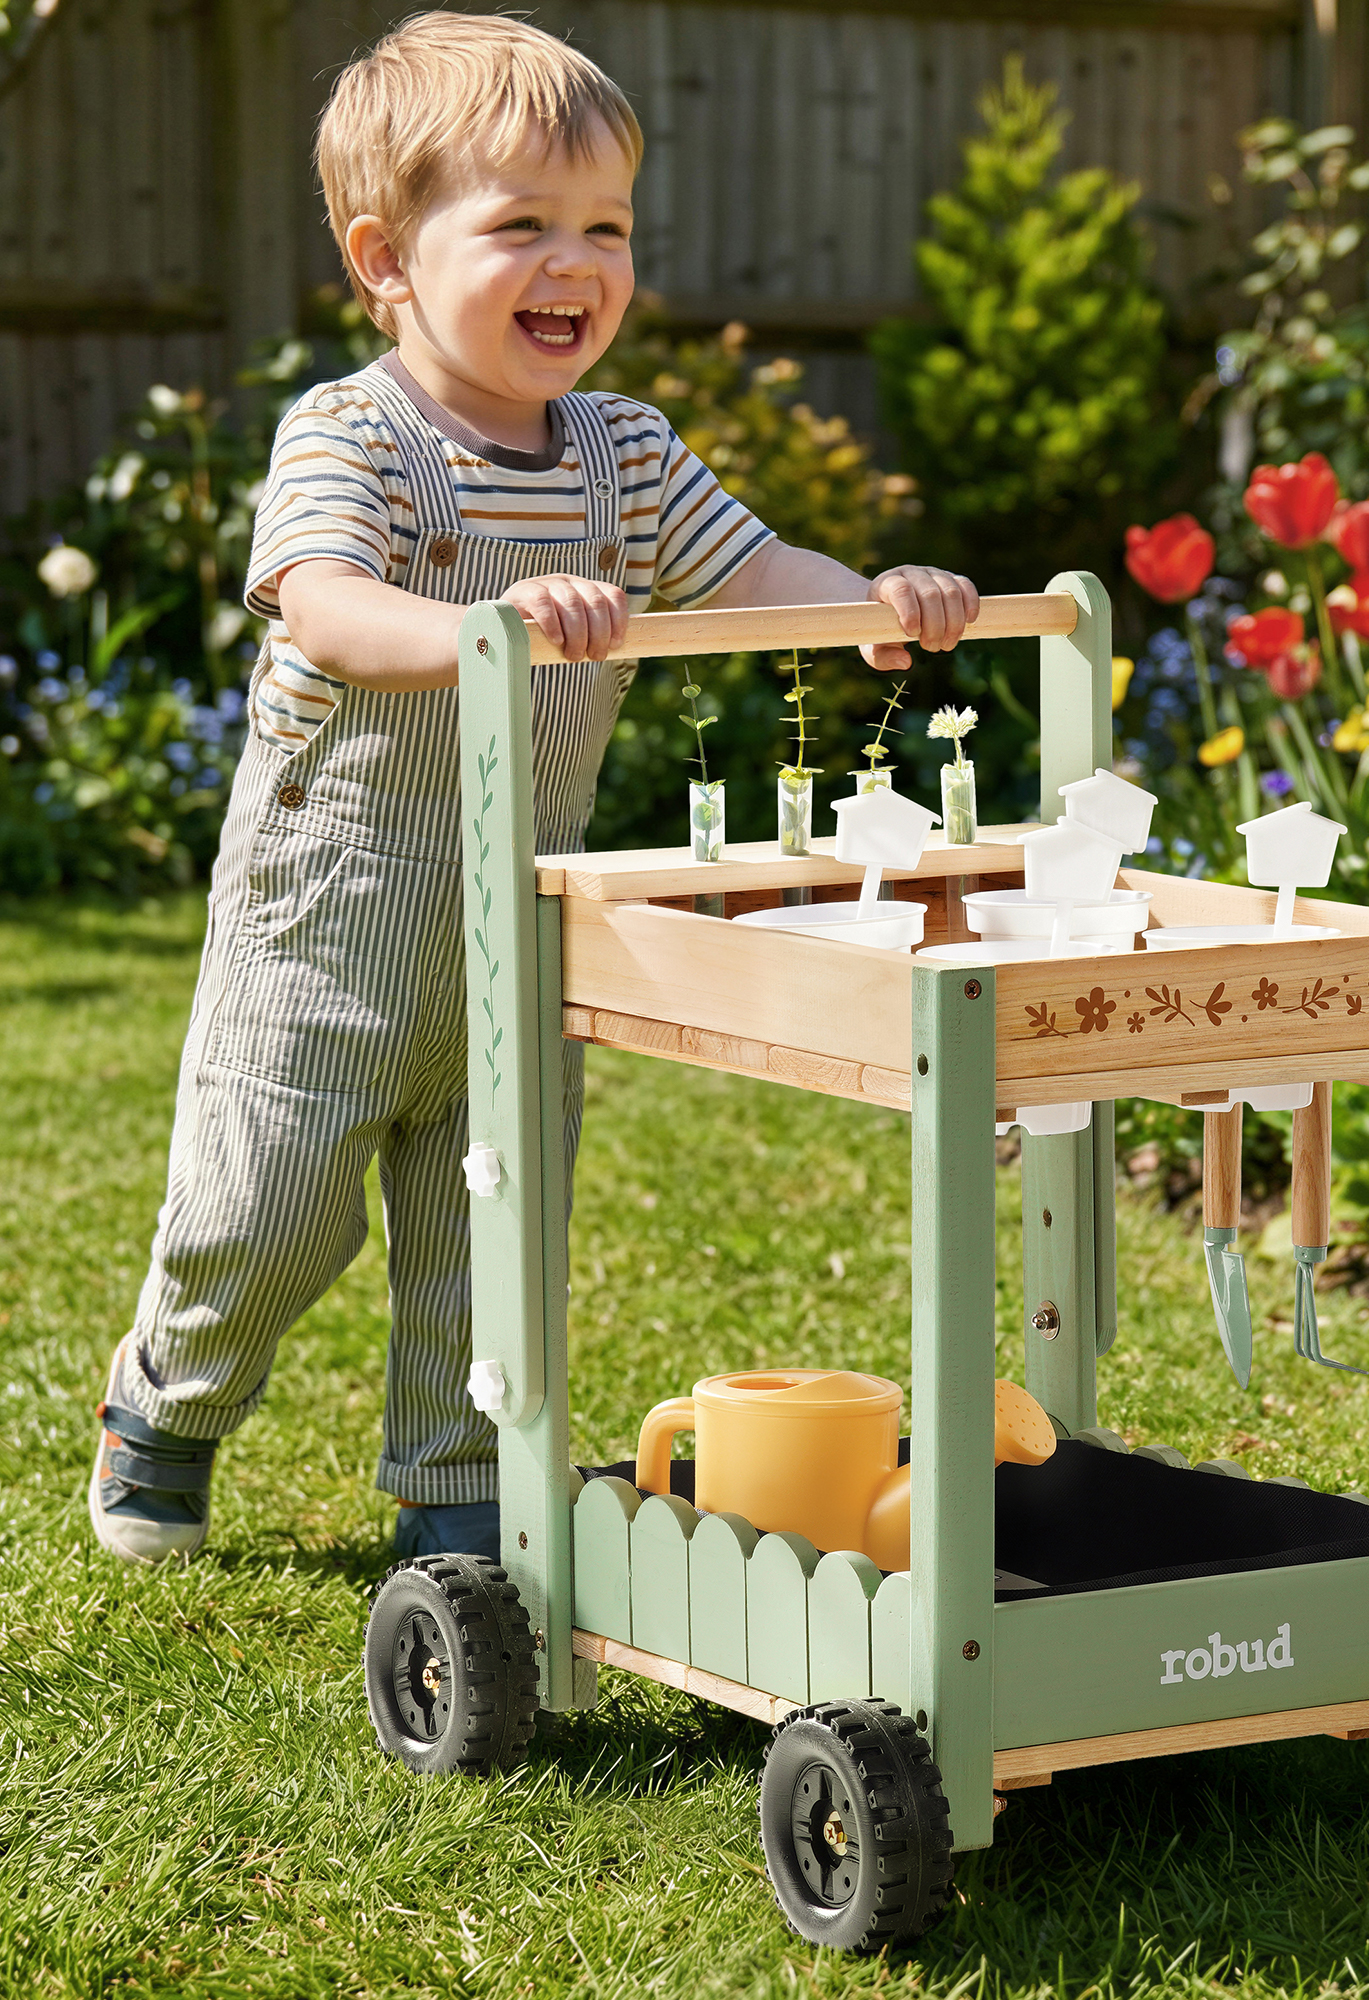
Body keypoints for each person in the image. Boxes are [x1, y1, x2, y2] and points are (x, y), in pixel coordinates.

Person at [89, 11, 975, 1566]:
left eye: (607, 228)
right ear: (385, 258)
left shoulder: (622, 455)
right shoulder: (352, 434)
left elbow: (753, 569)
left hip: (519, 909)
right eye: (521, 228)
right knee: (272, 1206)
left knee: (491, 1215)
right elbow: (322, 604)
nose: (577, 264)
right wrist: (480, 632)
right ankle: (167, 1398)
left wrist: (867, 602)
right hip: (329, 914)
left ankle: (455, 1474)